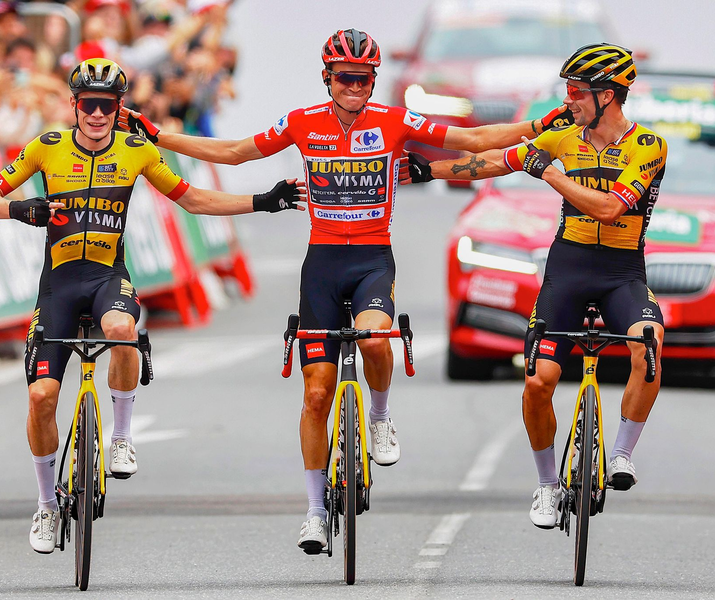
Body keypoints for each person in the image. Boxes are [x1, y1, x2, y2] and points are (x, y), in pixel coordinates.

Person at [117, 28, 572, 553]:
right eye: (346, 78)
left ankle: (379, 417)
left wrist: (538, 126)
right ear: (328, 78)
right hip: (323, 265)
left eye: (365, 78)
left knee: (376, 341)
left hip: (372, 260)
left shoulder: (393, 121)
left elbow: (470, 142)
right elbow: (236, 152)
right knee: (316, 395)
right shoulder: (303, 122)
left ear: (374, 80)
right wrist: (157, 136)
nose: (355, 87)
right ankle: (313, 511)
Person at [0, 58, 306, 554]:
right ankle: (46, 505)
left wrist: (263, 200)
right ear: (74, 105)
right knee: (42, 397)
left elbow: (193, 200)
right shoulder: (46, 148)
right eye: (89, 105)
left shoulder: (135, 150)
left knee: (121, 327)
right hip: (58, 286)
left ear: (119, 108)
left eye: (108, 106)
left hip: (108, 277)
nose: (98, 115)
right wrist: (24, 209)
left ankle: (122, 436)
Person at [406, 43, 666, 529]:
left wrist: (549, 174)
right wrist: (428, 170)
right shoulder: (563, 135)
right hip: (567, 269)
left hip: (622, 273)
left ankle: (622, 456)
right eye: (567, 91)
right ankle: (547, 485)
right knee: (536, 382)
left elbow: (611, 208)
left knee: (648, 344)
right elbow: (495, 161)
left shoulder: (648, 146)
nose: (568, 101)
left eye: (578, 93)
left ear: (609, 95)